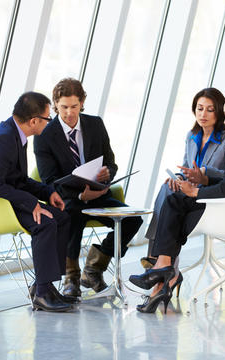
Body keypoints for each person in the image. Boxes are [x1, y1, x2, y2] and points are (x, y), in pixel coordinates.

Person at [129, 88, 225, 313]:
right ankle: (164, 269)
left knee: (175, 202)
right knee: (175, 199)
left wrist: (195, 193)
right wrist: (204, 179)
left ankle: (163, 267)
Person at [0, 91, 76, 312]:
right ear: (34, 121)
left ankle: (45, 286)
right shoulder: (2, 139)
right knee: (46, 222)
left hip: (4, 200)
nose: (49, 123)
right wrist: (32, 203)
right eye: (47, 118)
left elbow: (18, 180)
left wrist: (47, 192)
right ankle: (42, 293)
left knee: (61, 217)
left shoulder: (15, 135)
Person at [34, 78, 143, 297]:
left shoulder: (95, 124)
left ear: (82, 103)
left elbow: (111, 163)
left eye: (74, 107)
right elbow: (49, 180)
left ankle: (94, 269)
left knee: (133, 220)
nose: (69, 113)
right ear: (55, 105)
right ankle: (70, 278)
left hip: (99, 194)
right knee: (73, 213)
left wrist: (107, 174)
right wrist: (80, 194)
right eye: (64, 107)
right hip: (67, 198)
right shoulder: (45, 136)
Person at [141, 88, 225, 273]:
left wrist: (205, 173)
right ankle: (163, 263)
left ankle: (157, 259)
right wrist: (178, 178)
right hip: (189, 193)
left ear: (220, 111)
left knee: (170, 198)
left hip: (211, 196)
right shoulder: (191, 137)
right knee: (167, 187)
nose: (203, 114)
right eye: (199, 108)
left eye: (210, 109)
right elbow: (186, 167)